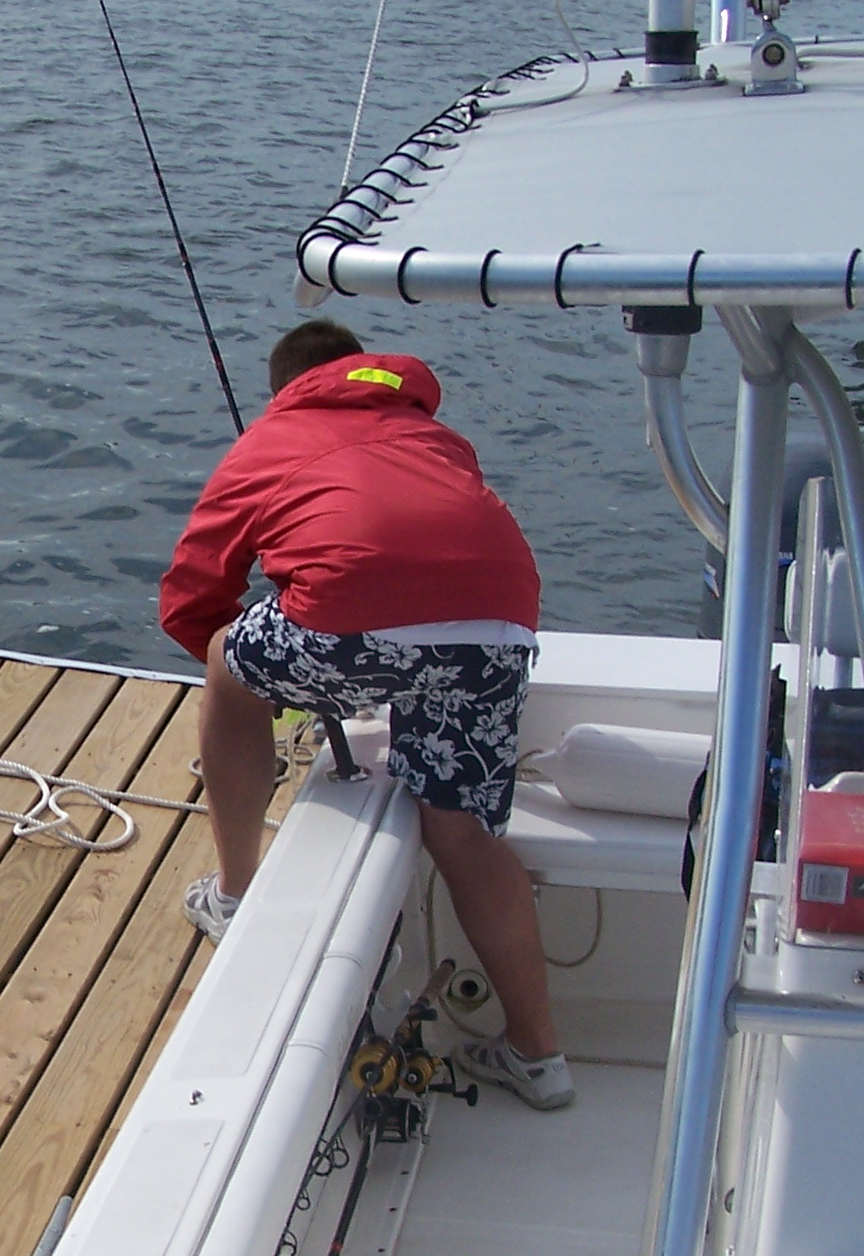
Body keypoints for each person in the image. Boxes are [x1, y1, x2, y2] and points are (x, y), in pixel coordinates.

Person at [157, 317, 571, 1110]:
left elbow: (193, 593)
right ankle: (539, 1054)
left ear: (283, 390)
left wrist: (258, 679)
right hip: (499, 628)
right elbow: (430, 573)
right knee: (463, 833)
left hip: (355, 620)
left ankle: (236, 894)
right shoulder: (433, 436)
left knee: (227, 663)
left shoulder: (270, 437)